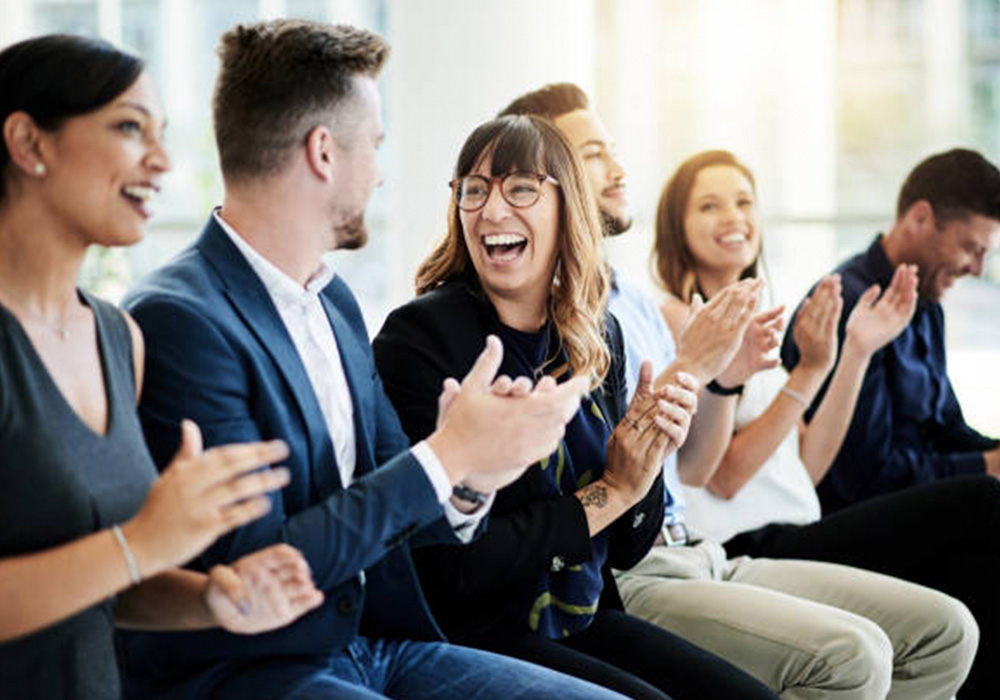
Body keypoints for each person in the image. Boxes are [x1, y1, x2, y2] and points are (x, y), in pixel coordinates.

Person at [121, 19, 633, 700]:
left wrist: (478, 475)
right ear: (324, 153)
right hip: (258, 669)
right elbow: (265, 567)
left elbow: (404, 497)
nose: (382, 172)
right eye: (376, 146)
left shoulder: (333, 302)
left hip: (382, 642)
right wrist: (449, 455)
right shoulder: (181, 320)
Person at [501, 86, 979, 700]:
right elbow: (656, 473)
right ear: (546, 180)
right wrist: (702, 367)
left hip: (703, 549)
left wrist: (740, 374)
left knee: (948, 630)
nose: (619, 169)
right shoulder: (556, 310)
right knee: (856, 653)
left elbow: (693, 468)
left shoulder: (637, 302)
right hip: (639, 567)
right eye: (594, 154)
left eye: (612, 150)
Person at [373, 112, 785, 700]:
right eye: (473, 190)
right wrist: (610, 492)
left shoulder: (596, 333)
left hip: (582, 617)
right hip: (476, 629)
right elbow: (452, 570)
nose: (490, 211)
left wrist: (643, 467)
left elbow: (625, 546)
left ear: (568, 208)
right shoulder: (419, 340)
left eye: (519, 188)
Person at [0, 34, 325, 700]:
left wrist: (212, 600)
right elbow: (127, 552)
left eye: (163, 135)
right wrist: (145, 542)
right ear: (29, 143)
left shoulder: (121, 339)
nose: (162, 162)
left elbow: (104, 590)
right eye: (128, 127)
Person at [652, 149, 1000, 699]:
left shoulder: (757, 322)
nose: (733, 217)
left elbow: (807, 467)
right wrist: (799, 374)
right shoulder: (675, 320)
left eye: (744, 201)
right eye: (709, 205)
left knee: (954, 606)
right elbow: (723, 476)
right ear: (677, 226)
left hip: (799, 521)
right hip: (745, 545)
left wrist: (848, 354)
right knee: (984, 504)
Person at [781, 148, 1000, 513]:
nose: (977, 269)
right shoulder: (846, 305)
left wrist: (993, 456)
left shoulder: (927, 301)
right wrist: (986, 467)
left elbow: (946, 429)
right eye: (969, 248)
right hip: (856, 518)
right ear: (920, 217)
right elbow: (866, 476)